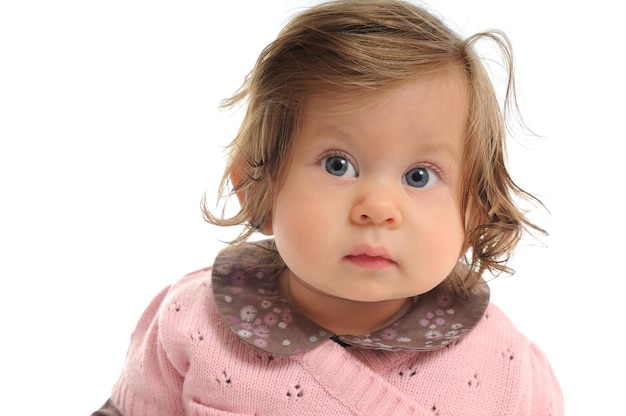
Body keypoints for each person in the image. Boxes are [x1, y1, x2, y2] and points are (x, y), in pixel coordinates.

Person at [93, 0, 563, 414]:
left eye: (419, 176)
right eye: (338, 165)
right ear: (257, 190)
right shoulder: (193, 323)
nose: (377, 208)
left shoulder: (502, 362)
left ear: (475, 211)